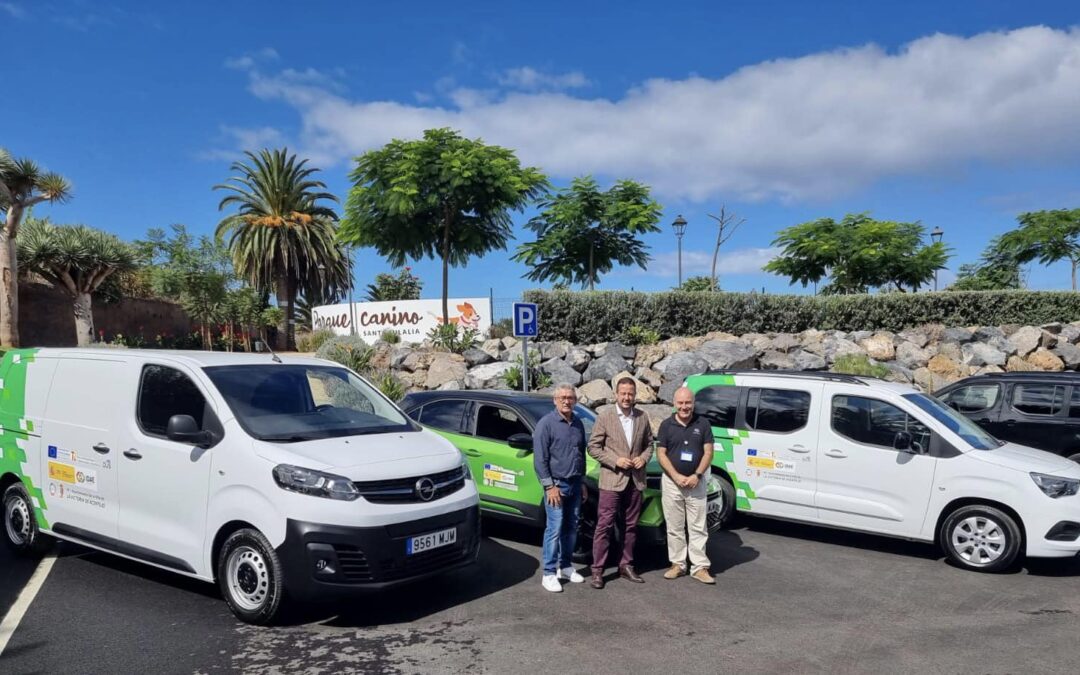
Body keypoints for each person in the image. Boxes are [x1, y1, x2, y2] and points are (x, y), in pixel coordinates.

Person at [587, 377, 654, 588]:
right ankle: (597, 570)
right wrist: (615, 461)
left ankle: (626, 565)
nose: (627, 397)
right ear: (616, 394)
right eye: (623, 393)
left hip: (635, 480)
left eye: (630, 394)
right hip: (611, 480)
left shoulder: (642, 417)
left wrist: (643, 458)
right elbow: (593, 447)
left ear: (635, 395)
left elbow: (650, 444)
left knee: (631, 526)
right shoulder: (605, 417)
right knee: (604, 526)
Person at [656, 386, 716, 584]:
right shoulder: (666, 425)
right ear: (674, 404)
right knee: (674, 526)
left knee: (698, 526)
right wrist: (675, 475)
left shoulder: (703, 424)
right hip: (673, 482)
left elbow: (708, 452)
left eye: (688, 403)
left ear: (693, 403)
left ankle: (700, 567)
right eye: (680, 403)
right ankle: (678, 564)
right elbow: (661, 453)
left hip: (696, 482)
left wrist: (697, 475)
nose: (684, 407)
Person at [533, 383, 589, 593]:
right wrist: (549, 487)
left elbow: (580, 454)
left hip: (575, 483)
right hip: (556, 485)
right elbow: (540, 459)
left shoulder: (578, 423)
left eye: (570, 398)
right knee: (554, 529)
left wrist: (582, 481)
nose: (567, 401)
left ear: (575, 400)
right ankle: (549, 573)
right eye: (563, 397)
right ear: (555, 400)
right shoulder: (546, 424)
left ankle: (565, 565)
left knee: (571, 527)